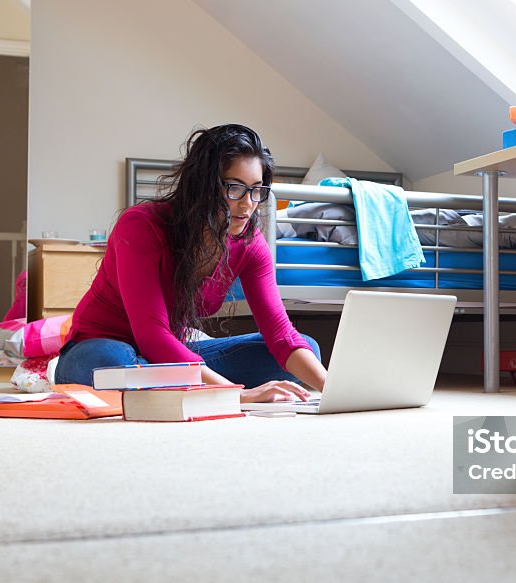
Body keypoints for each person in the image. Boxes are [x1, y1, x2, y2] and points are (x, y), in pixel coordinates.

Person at [55, 124, 326, 403]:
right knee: (115, 362)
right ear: (203, 185)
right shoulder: (141, 225)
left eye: (256, 190)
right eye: (234, 188)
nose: (247, 204)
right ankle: (186, 385)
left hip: (168, 359)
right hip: (98, 350)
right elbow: (152, 336)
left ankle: (176, 386)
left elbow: (280, 334)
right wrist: (239, 396)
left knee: (308, 350)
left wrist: (332, 388)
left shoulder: (250, 244)